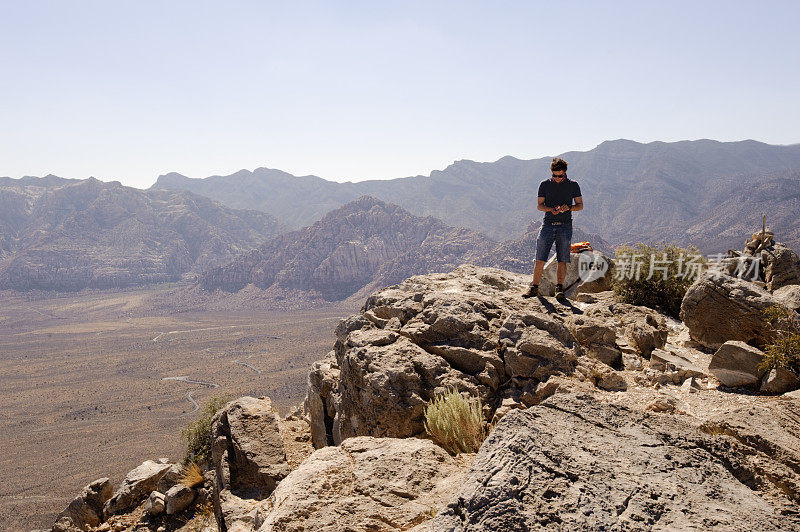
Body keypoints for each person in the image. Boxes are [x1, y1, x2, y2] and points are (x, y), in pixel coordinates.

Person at [522, 157, 583, 299]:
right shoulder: (544, 185)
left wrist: (569, 208)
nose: (557, 178)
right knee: (540, 258)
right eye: (554, 175)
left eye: (560, 176)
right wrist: (551, 210)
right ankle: (534, 288)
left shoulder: (573, 185)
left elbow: (580, 205)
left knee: (563, 259)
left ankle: (559, 289)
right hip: (548, 225)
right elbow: (539, 205)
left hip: (565, 226)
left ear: (565, 173)